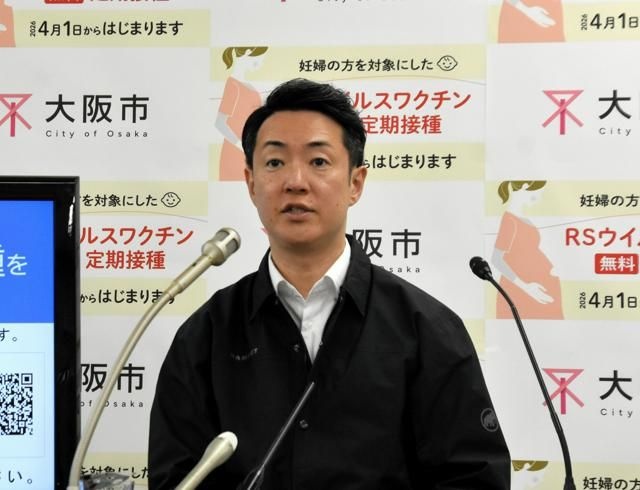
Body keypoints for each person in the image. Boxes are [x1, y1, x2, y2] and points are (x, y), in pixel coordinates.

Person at [149, 78, 511, 489]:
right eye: (275, 163)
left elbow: (474, 478)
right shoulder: (207, 334)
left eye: (318, 162)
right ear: (251, 183)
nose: (295, 181)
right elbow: (175, 478)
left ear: (355, 183)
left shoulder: (426, 329)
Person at [492, 180, 563, 319]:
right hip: (522, 291)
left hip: (538, 290)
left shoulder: (522, 218)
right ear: (525, 187)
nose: (539, 199)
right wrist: (526, 287)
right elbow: (497, 259)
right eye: (536, 195)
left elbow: (530, 250)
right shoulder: (510, 220)